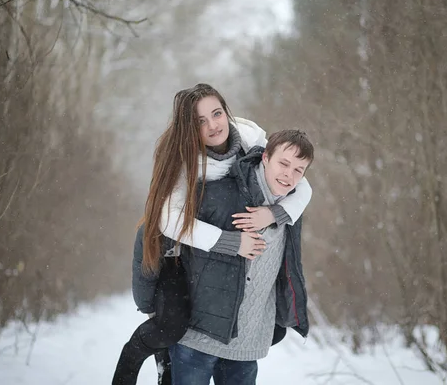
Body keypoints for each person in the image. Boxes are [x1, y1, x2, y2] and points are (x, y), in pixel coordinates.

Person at [112, 84, 312, 384]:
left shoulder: (250, 140)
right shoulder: (183, 163)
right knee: (171, 324)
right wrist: (233, 242)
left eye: (216, 113)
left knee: (274, 329)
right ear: (187, 128)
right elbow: (165, 222)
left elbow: (301, 183)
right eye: (200, 121)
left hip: (222, 279)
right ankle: (142, 355)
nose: (213, 125)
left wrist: (272, 214)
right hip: (179, 251)